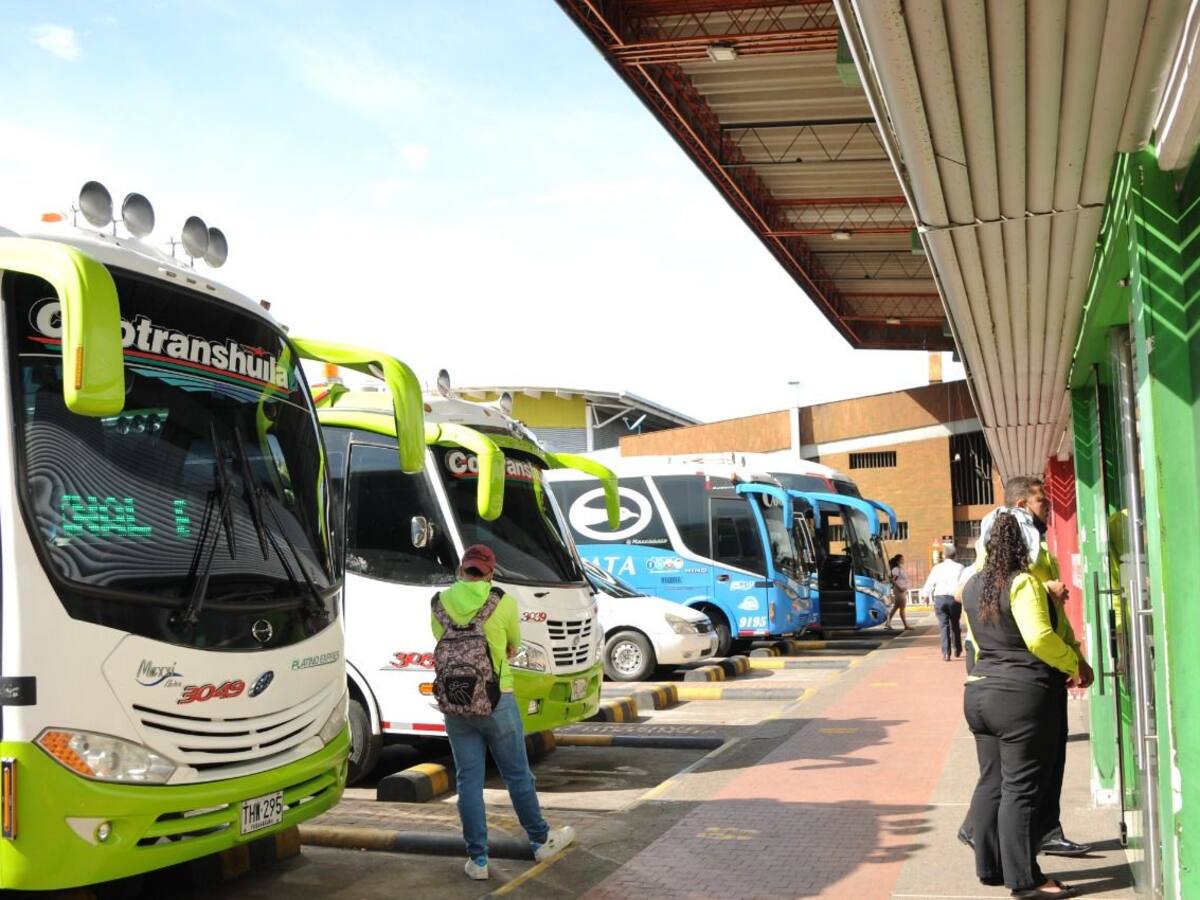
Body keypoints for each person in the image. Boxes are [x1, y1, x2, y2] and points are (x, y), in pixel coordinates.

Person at [957, 477, 1095, 857]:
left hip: (1007, 668)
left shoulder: (1026, 544)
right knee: (1029, 767)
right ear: (1021, 504)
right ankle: (1018, 853)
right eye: (1041, 502)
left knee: (1014, 769)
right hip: (1024, 664)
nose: (1046, 509)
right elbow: (1024, 621)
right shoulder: (1015, 545)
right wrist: (1071, 659)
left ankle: (995, 839)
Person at [430, 544, 575, 880]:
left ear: (461, 570)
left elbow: (439, 640)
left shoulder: (438, 604)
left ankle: (478, 861)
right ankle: (540, 840)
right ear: (491, 572)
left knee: (468, 781)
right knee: (517, 775)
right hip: (498, 700)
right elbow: (514, 645)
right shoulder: (503, 601)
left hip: (456, 704)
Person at [920, 544, 964, 660]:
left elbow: (930, 582)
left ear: (943, 555)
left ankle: (946, 652)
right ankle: (957, 648)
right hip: (954, 599)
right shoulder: (960, 567)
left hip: (939, 598)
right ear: (955, 555)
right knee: (955, 624)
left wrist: (925, 595)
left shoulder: (937, 568)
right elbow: (963, 583)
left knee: (943, 625)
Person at [885, 553, 909, 631]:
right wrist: (900, 588)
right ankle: (906, 625)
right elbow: (893, 580)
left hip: (902, 590)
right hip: (899, 590)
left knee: (896, 607)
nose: (903, 560)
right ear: (898, 560)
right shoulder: (896, 569)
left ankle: (888, 623)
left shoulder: (899, 568)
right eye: (902, 559)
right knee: (902, 607)